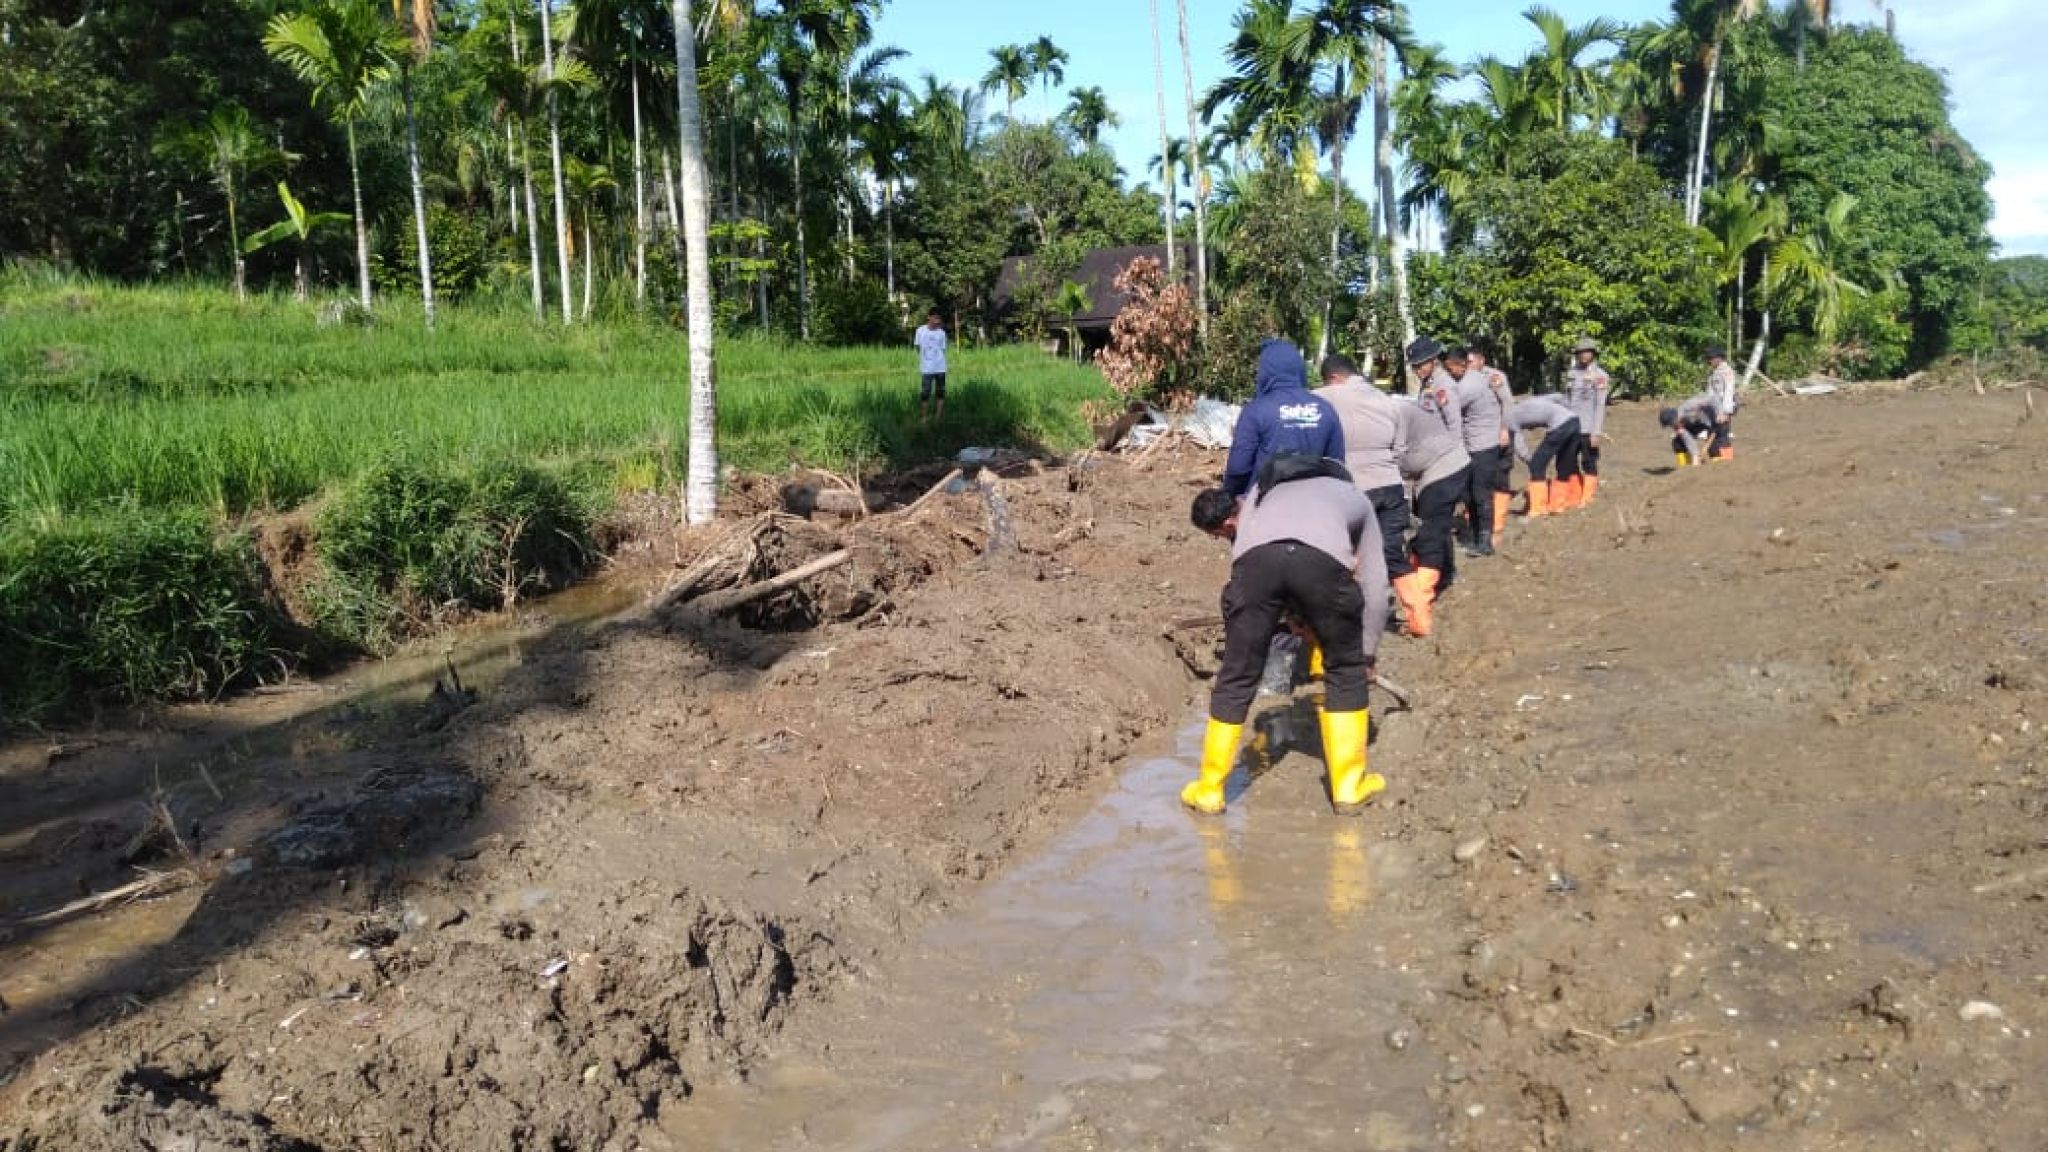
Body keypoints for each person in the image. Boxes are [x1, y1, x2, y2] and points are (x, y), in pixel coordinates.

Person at [1183, 455, 1388, 817]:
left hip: (1255, 566)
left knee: (1237, 675)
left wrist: (1291, 613)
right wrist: (1366, 655)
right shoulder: (1354, 497)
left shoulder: (1259, 494)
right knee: (1345, 671)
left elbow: (1257, 562)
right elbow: (1375, 584)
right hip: (1322, 565)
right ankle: (1348, 789)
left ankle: (1209, 791)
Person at [1315, 354, 1412, 610]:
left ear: (1333, 377)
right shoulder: (1387, 401)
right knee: (1391, 552)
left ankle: (1360, 609)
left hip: (1354, 488)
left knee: (1351, 552)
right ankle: (1417, 614)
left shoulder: (1323, 397)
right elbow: (1400, 450)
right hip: (1391, 486)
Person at [1221, 338, 1345, 500]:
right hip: (1312, 504)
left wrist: (1228, 496)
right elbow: (1336, 467)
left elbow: (1238, 468)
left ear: (1265, 371)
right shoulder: (1326, 409)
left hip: (1264, 505)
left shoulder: (1256, 410)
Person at [1395, 380, 1471, 638]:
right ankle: (1443, 575)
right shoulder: (1401, 408)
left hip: (1443, 468)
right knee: (1434, 529)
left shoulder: (1393, 416)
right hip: (1448, 463)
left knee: (1429, 535)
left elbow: (1400, 459)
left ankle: (1421, 604)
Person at [1454, 340, 1516, 556]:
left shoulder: (1494, 377)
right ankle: (1477, 532)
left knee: (1495, 484)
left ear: (1482, 360)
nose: (1468, 365)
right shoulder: (1462, 379)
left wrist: (1505, 429)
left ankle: (1491, 532)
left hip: (1495, 435)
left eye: (1471, 361)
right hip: (1473, 440)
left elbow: (1508, 403)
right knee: (1473, 490)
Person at [1507, 396, 1582, 516]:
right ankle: (1565, 502)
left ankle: (1538, 508)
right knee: (1564, 464)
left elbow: (1518, 445)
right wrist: (1569, 409)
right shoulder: (1529, 402)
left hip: (1560, 425)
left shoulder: (1508, 419)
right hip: (1575, 420)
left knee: (1537, 466)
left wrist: (1530, 460)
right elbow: (1558, 396)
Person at [1560, 336, 1610, 510]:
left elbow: (1600, 405)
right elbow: (1567, 399)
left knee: (1589, 462)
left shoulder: (1600, 376)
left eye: (1587, 352)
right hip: (1571, 425)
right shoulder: (1571, 373)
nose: (1583, 355)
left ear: (1593, 354)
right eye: (1581, 352)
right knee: (1568, 461)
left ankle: (1588, 497)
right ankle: (1575, 495)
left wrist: (1596, 432)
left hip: (1588, 427)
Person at [1410, 337, 1465, 444]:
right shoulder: (1428, 382)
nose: (1417, 370)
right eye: (1414, 366)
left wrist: (1453, 450)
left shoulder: (1443, 385)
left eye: (1420, 365)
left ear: (1433, 360)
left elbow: (1454, 423)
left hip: (1445, 448)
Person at [1659, 394, 1719, 467]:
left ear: (1675, 418)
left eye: (1671, 424)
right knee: (1677, 442)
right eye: (1670, 426)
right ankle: (1685, 467)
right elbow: (1688, 439)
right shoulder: (1677, 425)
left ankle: (1719, 465)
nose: (1672, 427)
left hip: (1717, 417)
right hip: (1698, 424)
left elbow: (1714, 430)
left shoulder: (1690, 406)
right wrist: (1695, 456)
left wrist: (1705, 448)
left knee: (1716, 443)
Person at [1702, 344, 1739, 460]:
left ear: (1718, 358)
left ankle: (1726, 460)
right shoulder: (1714, 372)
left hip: (1723, 408)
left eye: (1710, 358)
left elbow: (1729, 392)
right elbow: (1710, 392)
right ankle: (1714, 457)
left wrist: (1725, 412)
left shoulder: (1727, 372)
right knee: (1711, 433)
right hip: (1713, 408)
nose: (1709, 361)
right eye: (1708, 359)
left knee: (1722, 433)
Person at [914, 311, 948, 421]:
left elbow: (943, 349)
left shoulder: (941, 333)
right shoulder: (920, 331)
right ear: (929, 317)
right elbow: (917, 347)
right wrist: (925, 359)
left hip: (940, 368)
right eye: (935, 317)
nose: (937, 320)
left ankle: (938, 417)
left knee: (940, 392)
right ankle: (924, 418)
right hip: (927, 368)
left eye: (939, 318)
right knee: (925, 393)